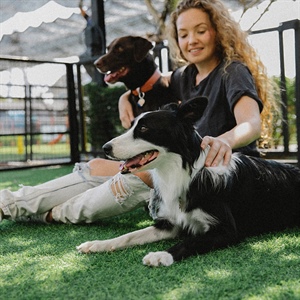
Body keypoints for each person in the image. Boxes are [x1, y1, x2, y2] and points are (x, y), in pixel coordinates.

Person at [0, 0, 276, 225]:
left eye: (200, 30)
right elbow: (153, 82)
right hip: (181, 173)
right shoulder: (183, 76)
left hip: (221, 174)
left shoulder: (233, 71)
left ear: (218, 31)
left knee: (137, 175)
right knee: (99, 166)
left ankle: (45, 213)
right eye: (183, 34)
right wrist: (125, 94)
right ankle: (12, 204)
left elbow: (250, 122)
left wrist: (225, 140)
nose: (191, 40)